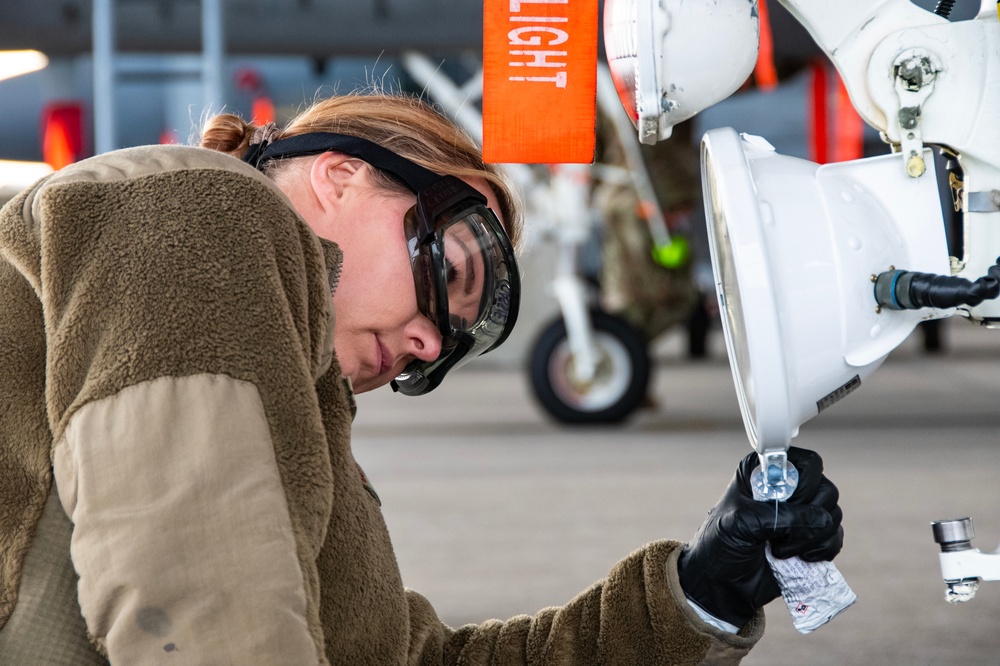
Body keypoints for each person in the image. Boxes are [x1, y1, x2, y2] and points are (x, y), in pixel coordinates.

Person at [0, 91, 845, 664]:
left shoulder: (298, 440)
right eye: (451, 273)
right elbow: (202, 606)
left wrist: (695, 595)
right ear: (340, 176)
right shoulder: (193, 207)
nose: (429, 342)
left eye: (455, 338)